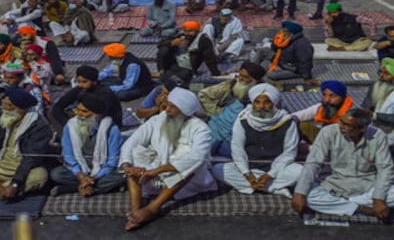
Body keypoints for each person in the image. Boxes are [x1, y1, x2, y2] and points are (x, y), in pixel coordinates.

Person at [119, 87, 217, 231]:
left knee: (189, 167)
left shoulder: (200, 129)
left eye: (173, 107)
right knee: (133, 155)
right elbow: (132, 142)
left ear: (185, 112)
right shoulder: (158, 119)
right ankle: (136, 208)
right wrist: (127, 165)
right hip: (153, 173)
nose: (167, 109)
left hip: (182, 181)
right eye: (168, 104)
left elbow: (196, 157)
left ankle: (152, 209)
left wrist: (157, 171)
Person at [292, 108, 394, 220]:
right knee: (308, 195)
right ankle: (361, 209)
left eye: (347, 125)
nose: (341, 126)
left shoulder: (378, 136)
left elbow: (385, 169)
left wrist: (378, 198)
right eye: (341, 121)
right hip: (335, 184)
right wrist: (300, 192)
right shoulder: (328, 132)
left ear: (363, 128)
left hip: (367, 186)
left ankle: (343, 206)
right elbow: (313, 163)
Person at [213, 84, 302, 197]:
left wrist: (270, 174)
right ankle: (273, 188)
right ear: (252, 103)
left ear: (274, 103)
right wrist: (247, 174)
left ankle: (257, 186)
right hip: (250, 168)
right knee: (217, 169)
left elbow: (289, 152)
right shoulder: (243, 119)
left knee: (301, 172)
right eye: (257, 102)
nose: (261, 106)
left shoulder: (287, 121)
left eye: (267, 102)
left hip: (277, 169)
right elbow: (237, 149)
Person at [51, 93, 126, 196]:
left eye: (85, 112)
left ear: (97, 115)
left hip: (103, 170)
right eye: (78, 110)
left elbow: (112, 161)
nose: (79, 115)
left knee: (123, 174)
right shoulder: (70, 126)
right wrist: (81, 176)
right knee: (56, 174)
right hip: (81, 168)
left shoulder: (111, 130)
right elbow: (68, 156)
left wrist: (94, 177)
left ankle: (75, 188)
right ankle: (97, 187)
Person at [199, 62, 266, 158]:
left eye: (246, 77)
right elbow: (204, 95)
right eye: (240, 75)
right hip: (220, 123)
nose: (241, 79)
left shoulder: (264, 94)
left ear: (255, 80)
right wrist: (216, 111)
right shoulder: (230, 85)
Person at [250, 21, 315, 83]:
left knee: (271, 74)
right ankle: (250, 68)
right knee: (263, 51)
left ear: (291, 33)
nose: (282, 32)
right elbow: (274, 49)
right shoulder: (286, 38)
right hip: (281, 60)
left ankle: (261, 76)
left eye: (284, 31)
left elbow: (305, 62)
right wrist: (277, 40)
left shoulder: (302, 44)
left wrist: (307, 77)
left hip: (293, 69)